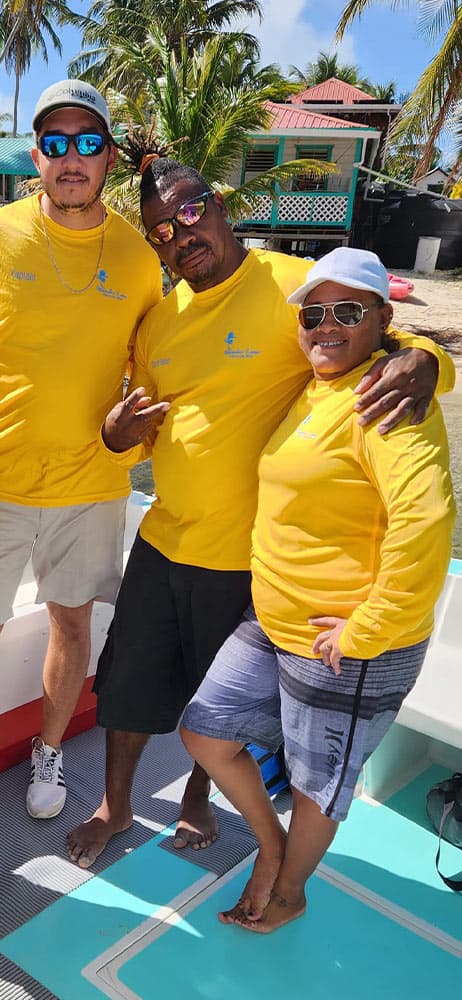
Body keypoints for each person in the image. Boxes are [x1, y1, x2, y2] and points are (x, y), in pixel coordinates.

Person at [66, 153, 456, 869]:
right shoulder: (158, 322)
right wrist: (117, 438)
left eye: (188, 212)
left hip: (245, 556)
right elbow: (142, 432)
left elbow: (377, 341)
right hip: (164, 538)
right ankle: (114, 805)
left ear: (217, 204)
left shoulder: (289, 286)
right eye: (159, 231)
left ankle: (193, 801)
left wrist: (429, 358)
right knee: (126, 684)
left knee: (219, 709)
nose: (180, 235)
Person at [179, 247, 455, 933]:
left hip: (347, 639)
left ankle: (290, 889)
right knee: (204, 731)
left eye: (348, 311)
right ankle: (269, 846)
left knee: (314, 784)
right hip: (274, 621)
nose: (326, 325)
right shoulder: (320, 384)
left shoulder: (388, 397)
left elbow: (425, 528)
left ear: (382, 318)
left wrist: (365, 631)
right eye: (313, 312)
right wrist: (431, 354)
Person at [0, 81, 162, 843]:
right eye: (55, 143)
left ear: (109, 159)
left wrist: (412, 349)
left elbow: (159, 362)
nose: (71, 158)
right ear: (36, 157)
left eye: (87, 143)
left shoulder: (137, 254)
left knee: (71, 623)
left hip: (93, 484)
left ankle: (49, 752)